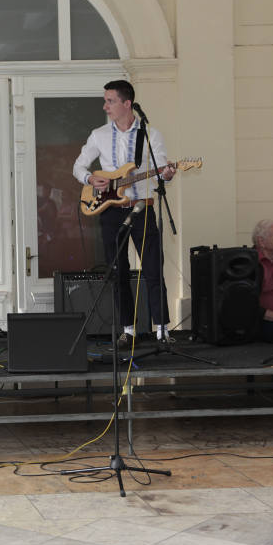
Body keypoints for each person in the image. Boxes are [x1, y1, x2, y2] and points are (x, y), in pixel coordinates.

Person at [72, 80, 175, 347]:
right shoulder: (99, 135)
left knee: (153, 269)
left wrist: (167, 174)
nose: (105, 106)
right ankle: (128, 330)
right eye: (105, 101)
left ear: (127, 104)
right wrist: (90, 179)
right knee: (118, 272)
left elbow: (161, 170)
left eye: (110, 101)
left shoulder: (150, 134)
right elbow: (78, 166)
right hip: (111, 211)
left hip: (142, 208)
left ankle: (162, 330)